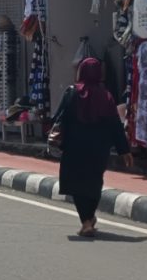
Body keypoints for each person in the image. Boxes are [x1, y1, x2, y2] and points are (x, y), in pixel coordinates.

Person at [54, 57, 133, 237]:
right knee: (94, 183)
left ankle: (86, 221)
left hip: (74, 148)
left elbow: (60, 118)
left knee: (76, 184)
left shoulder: (72, 93)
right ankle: (89, 218)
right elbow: (115, 125)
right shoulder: (106, 97)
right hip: (99, 149)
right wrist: (124, 150)